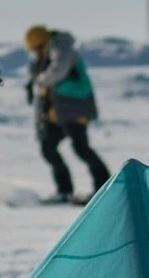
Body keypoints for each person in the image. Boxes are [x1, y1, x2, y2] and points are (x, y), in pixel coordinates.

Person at [24, 24, 110, 204]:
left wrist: (40, 80)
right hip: (56, 113)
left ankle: (105, 188)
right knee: (48, 147)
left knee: (81, 148)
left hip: (75, 108)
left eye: (36, 49)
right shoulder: (44, 58)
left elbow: (57, 71)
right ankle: (64, 191)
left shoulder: (62, 49)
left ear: (42, 43)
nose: (35, 54)